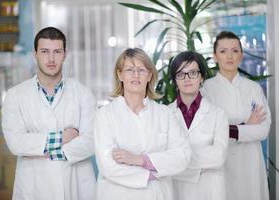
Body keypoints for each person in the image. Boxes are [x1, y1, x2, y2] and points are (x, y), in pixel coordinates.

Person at [1, 27, 96, 200]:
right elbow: (16, 143)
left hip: (75, 185)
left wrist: (44, 150)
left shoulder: (83, 94)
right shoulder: (15, 96)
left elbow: (91, 141)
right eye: (44, 51)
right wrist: (63, 137)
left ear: (65, 54)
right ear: (35, 54)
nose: (51, 59)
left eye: (57, 52)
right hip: (34, 187)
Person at [94, 48, 191, 200]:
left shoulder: (165, 114)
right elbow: (108, 166)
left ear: (149, 75)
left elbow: (183, 156)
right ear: (119, 75)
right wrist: (155, 170)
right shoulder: (105, 115)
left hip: (158, 194)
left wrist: (139, 160)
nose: (136, 75)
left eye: (141, 70)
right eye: (129, 70)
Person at [201, 31, 271, 200]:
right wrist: (246, 126)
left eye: (235, 50)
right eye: (223, 51)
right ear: (215, 56)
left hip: (251, 163)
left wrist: (227, 128)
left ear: (241, 54)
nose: (229, 56)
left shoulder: (253, 88)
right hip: (222, 165)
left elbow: (263, 130)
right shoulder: (206, 90)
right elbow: (208, 132)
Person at [169, 51, 229, 200]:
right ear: (175, 80)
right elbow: (162, 156)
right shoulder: (165, 114)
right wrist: (201, 164)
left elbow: (219, 156)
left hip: (209, 190)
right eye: (181, 74)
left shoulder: (218, 114)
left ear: (202, 77)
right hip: (175, 190)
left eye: (193, 73)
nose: (187, 79)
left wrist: (178, 159)